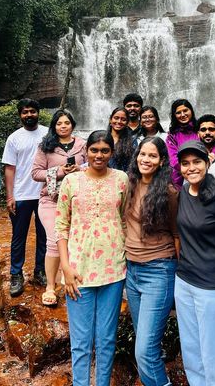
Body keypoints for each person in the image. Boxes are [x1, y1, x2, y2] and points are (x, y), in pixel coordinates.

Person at [55, 130, 129, 386]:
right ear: (85, 151)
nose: (99, 155)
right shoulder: (71, 182)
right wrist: (65, 267)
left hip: (114, 270)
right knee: (81, 341)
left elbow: (125, 220)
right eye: (94, 150)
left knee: (107, 340)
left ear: (111, 152)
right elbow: (61, 226)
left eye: (104, 150)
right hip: (78, 271)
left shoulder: (122, 180)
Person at [175, 140, 215, 386]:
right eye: (185, 163)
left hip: (213, 287)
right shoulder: (183, 191)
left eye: (196, 162)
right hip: (184, 282)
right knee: (191, 351)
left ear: (208, 162)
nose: (191, 167)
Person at [125, 136, 179, 386]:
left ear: (161, 161)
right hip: (131, 271)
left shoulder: (168, 193)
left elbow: (177, 235)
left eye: (152, 156)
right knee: (145, 346)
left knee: (144, 351)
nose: (146, 159)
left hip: (159, 270)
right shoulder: (128, 184)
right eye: (142, 154)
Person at [32, 109, 86, 306]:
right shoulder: (45, 146)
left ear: (72, 124)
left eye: (67, 123)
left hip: (76, 200)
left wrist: (80, 169)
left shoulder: (83, 145)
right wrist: (60, 171)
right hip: (51, 200)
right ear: (54, 126)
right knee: (55, 240)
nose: (63, 126)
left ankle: (68, 281)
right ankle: (50, 287)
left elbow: (93, 165)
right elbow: (35, 173)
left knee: (74, 240)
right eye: (59, 123)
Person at [2, 98, 48, 297]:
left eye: (32, 111)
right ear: (20, 115)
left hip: (45, 193)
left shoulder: (48, 133)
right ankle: (16, 274)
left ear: (38, 112)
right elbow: (9, 168)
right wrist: (10, 196)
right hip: (21, 194)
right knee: (18, 237)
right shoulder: (14, 138)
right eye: (25, 112)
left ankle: (40, 271)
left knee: (44, 236)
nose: (29, 115)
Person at [166, 99, 198, 189]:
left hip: (203, 174)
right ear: (174, 115)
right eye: (178, 112)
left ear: (191, 111)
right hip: (179, 179)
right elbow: (173, 158)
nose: (183, 115)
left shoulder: (201, 129)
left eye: (185, 110)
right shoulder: (172, 135)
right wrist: (191, 171)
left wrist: (214, 154)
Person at [107, 107, 136, 171]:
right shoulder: (102, 137)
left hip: (123, 177)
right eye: (116, 118)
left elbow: (133, 164)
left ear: (127, 122)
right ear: (110, 120)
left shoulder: (132, 141)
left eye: (123, 119)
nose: (119, 121)